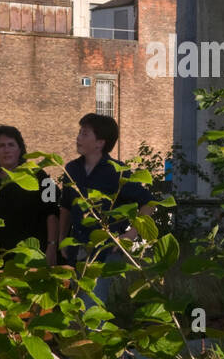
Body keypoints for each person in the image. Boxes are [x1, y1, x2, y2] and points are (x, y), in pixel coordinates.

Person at [58, 113, 153, 305]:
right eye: (79, 132)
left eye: (84, 134)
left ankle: (94, 335)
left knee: (92, 307)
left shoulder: (116, 171)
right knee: (71, 306)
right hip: (76, 250)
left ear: (100, 142)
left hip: (105, 252)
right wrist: (61, 239)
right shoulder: (71, 169)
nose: (78, 137)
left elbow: (148, 203)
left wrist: (131, 235)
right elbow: (66, 207)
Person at [0, 125, 59, 265]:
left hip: (34, 254)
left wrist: (52, 247)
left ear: (20, 149)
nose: (7, 150)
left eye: (11, 145)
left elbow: (53, 214)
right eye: (1, 146)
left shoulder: (41, 177)